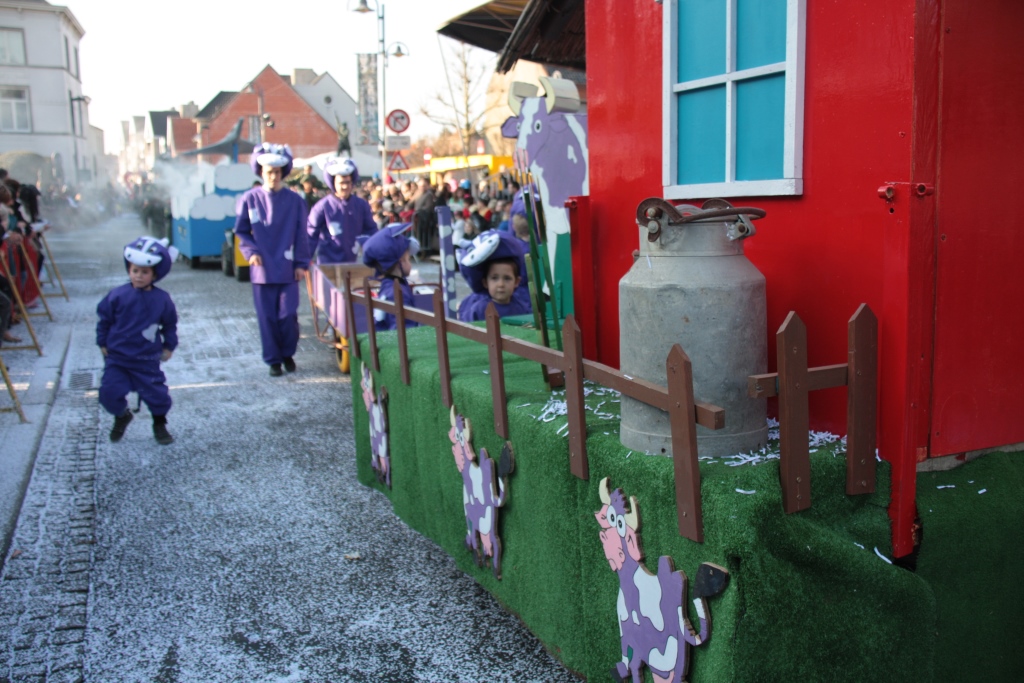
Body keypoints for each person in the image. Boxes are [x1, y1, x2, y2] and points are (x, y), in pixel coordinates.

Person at [234, 143, 311, 377]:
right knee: (267, 317)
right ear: (261, 172)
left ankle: (287, 353)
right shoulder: (249, 199)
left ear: (283, 172)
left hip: (287, 268)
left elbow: (302, 234)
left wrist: (301, 263)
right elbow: (241, 231)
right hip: (262, 270)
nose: (273, 176)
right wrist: (251, 252)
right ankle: (273, 360)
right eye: (269, 172)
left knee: (288, 315)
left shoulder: (295, 200)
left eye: (277, 172)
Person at [96, 237, 179, 445]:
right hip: (118, 358)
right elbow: (104, 320)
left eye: (144, 272)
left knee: (157, 395)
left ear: (154, 274)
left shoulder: (162, 299)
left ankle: (159, 423)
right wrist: (102, 342)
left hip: (146, 358)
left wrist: (169, 346)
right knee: (109, 392)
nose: (139, 276)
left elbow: (170, 324)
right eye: (135, 271)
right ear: (129, 270)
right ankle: (122, 415)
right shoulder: (117, 295)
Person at [307, 157, 377, 265]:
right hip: (327, 264)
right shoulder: (322, 207)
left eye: (348, 182)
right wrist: (304, 262)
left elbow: (371, 231)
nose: (345, 186)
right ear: (333, 183)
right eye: (341, 183)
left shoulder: (361, 205)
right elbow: (310, 236)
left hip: (354, 263)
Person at [456, 230, 533, 322]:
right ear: (485, 282)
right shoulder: (477, 310)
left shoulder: (522, 309)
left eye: (507, 278)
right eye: (494, 278)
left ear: (516, 282)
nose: (501, 284)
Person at [361, 222, 420, 331]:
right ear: (400, 262)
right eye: (408, 259)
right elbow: (404, 330)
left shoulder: (388, 286)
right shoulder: (398, 292)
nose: (410, 263)